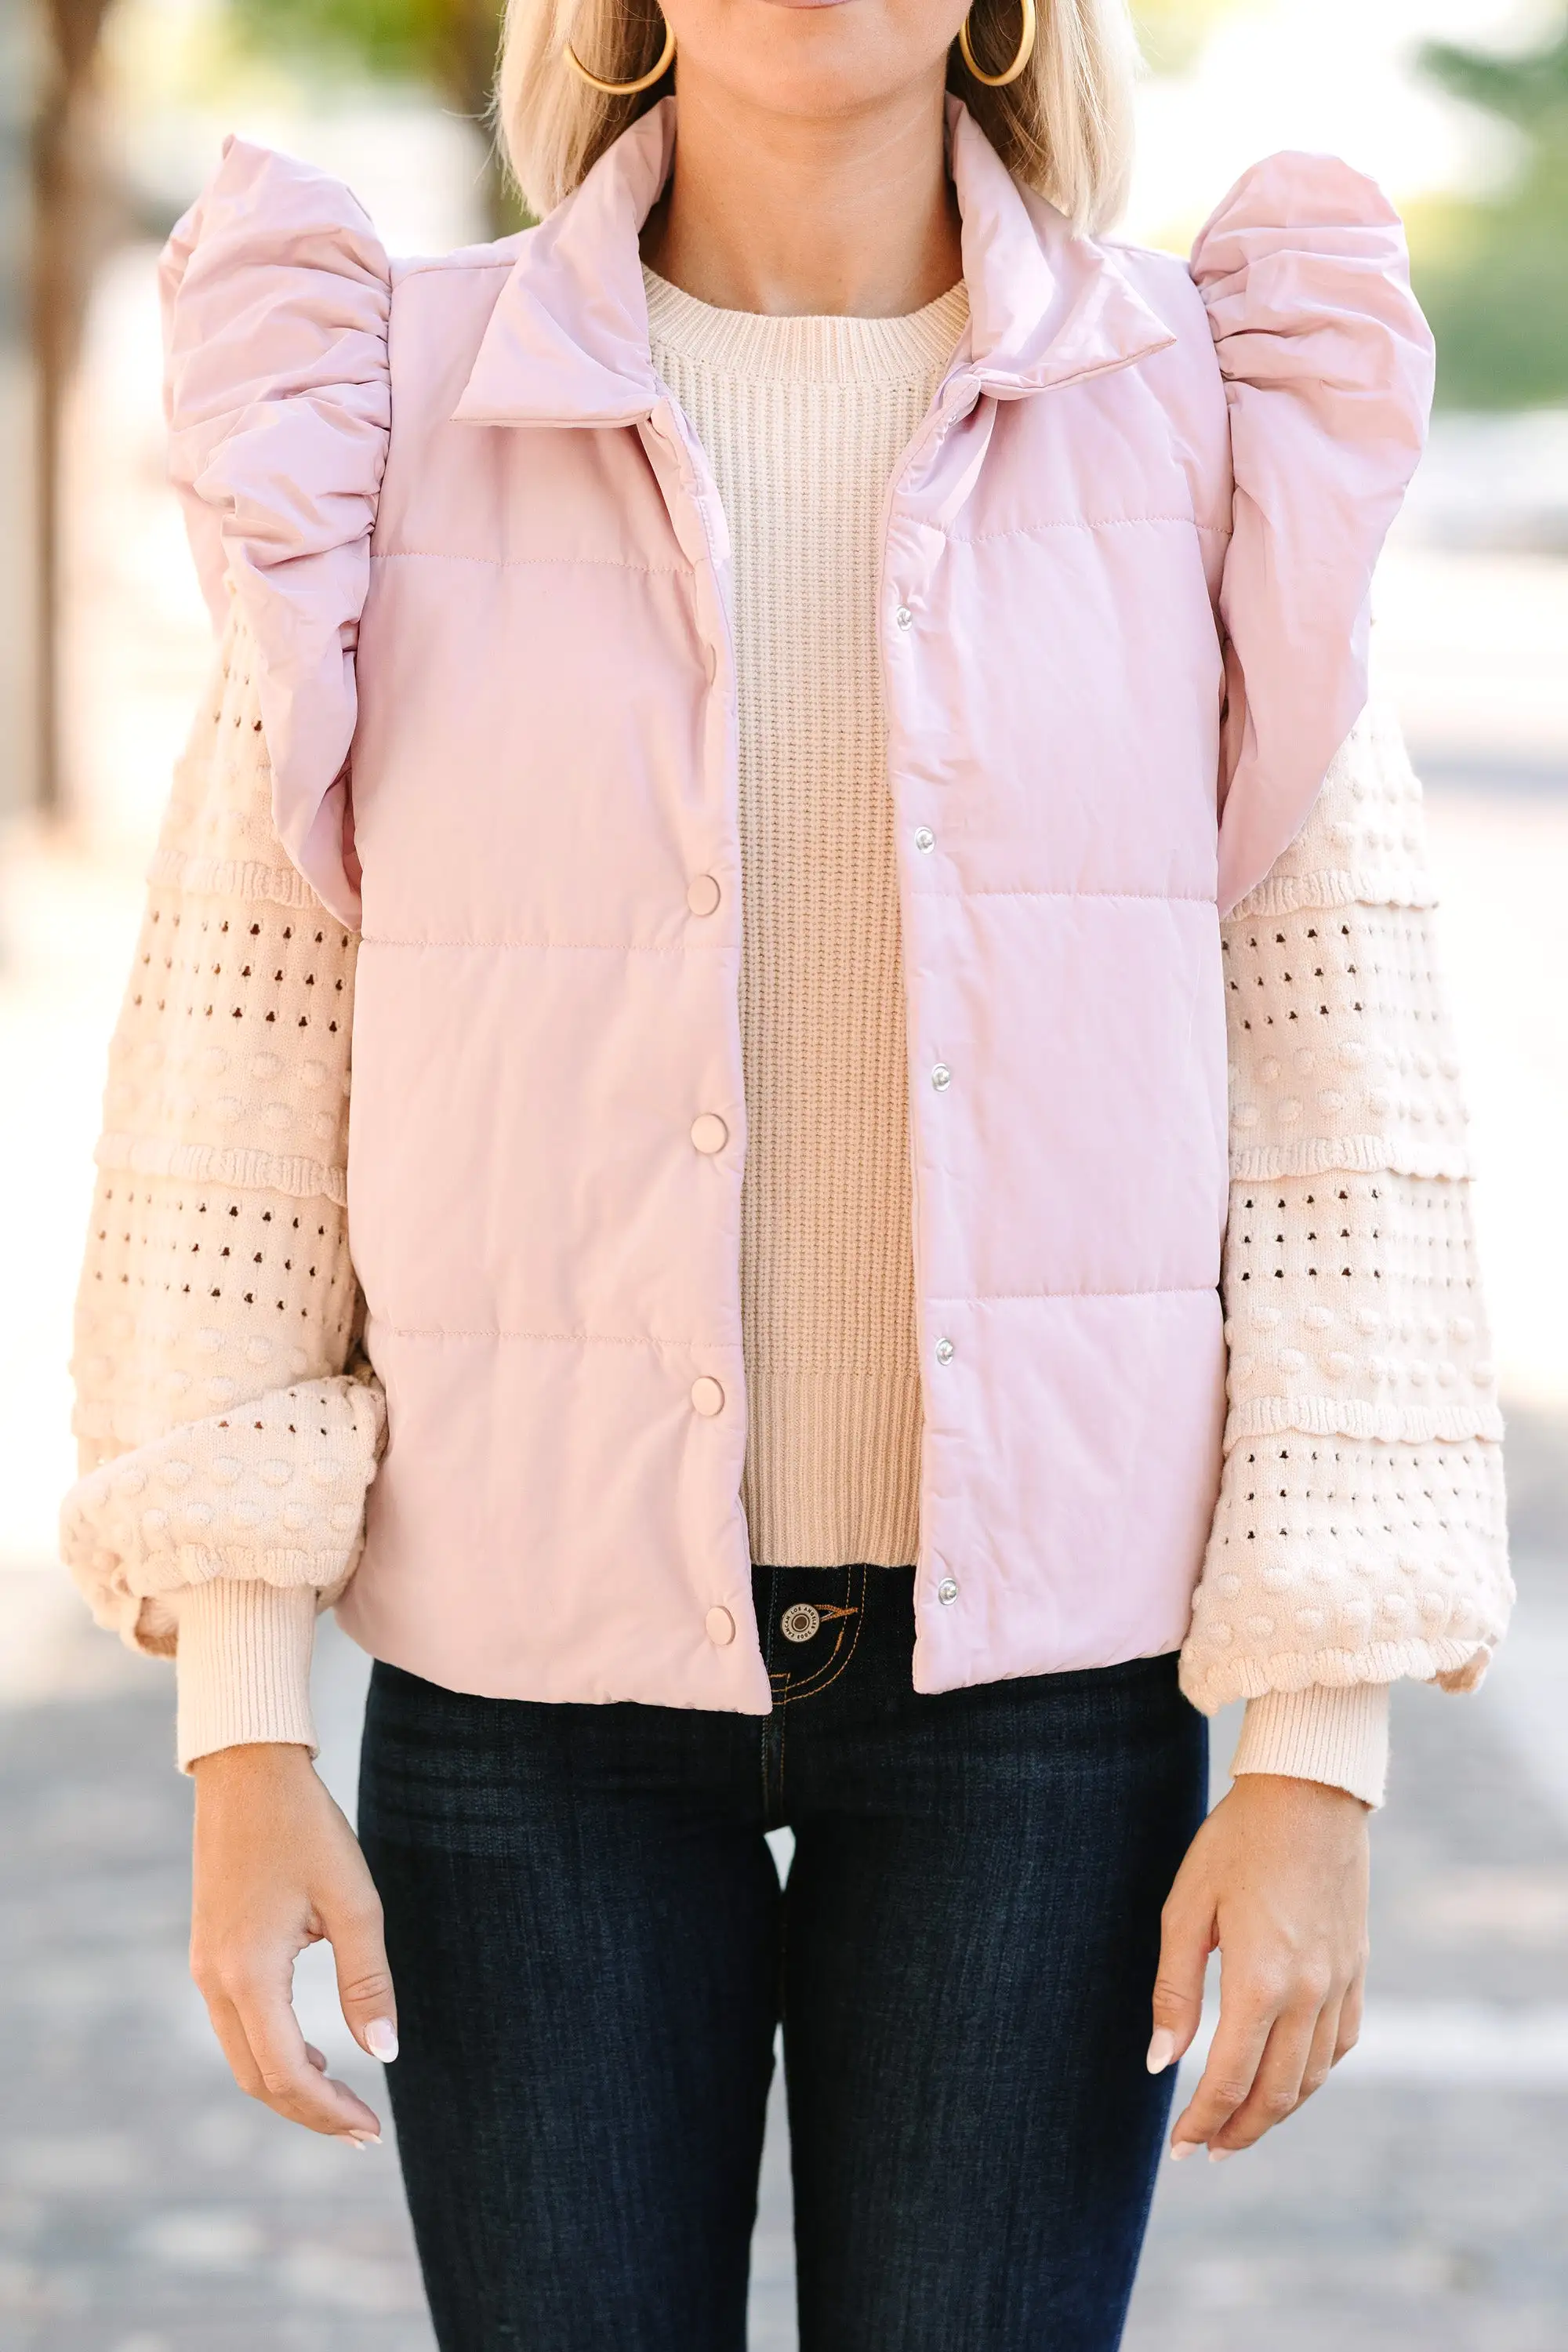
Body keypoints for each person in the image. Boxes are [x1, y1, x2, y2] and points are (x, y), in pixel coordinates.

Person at [62, 0, 1512, 2343]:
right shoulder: (385, 403)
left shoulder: (1213, 414)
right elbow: (245, 1061)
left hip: (1039, 1718)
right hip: (521, 1707)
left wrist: (1315, 1756)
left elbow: (1344, 1101)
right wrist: (243, 1726)